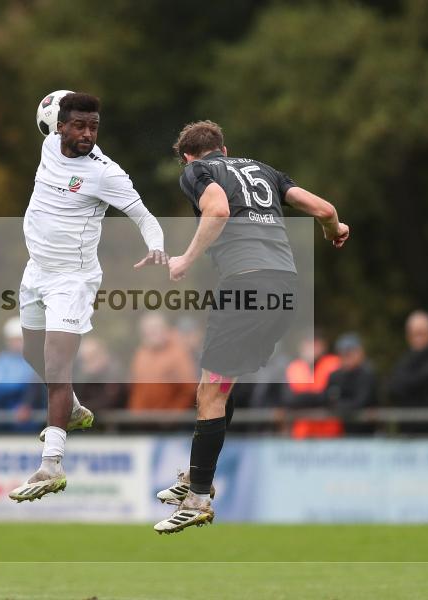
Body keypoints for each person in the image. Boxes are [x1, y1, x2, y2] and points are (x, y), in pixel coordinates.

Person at [154, 120, 349, 533]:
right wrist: (335, 231)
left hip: (246, 286)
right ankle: (197, 474)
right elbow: (326, 211)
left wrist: (186, 259)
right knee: (223, 384)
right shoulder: (264, 170)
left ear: (189, 157)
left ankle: (199, 497)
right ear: (224, 149)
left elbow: (218, 209)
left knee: (209, 391)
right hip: (285, 290)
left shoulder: (196, 171)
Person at [8, 91, 168, 503]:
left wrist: (156, 245)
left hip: (72, 281)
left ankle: (52, 464)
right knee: (31, 354)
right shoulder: (48, 145)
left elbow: (143, 215)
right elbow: (56, 98)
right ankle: (74, 409)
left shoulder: (105, 173)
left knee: (56, 365)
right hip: (35, 271)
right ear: (58, 126)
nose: (87, 134)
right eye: (79, 125)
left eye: (94, 127)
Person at [0, 317, 46, 432]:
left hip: (28, 421)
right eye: (12, 340)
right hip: (2, 419)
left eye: (19, 340)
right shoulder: (2, 360)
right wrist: (13, 387)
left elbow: (35, 389)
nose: (15, 344)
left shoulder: (36, 360)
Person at [128, 313, 196, 412]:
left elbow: (188, 389)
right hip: (143, 421)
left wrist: (174, 415)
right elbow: (135, 388)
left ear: (165, 329)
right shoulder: (140, 354)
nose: (152, 332)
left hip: (171, 422)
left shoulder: (178, 353)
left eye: (156, 328)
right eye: (148, 329)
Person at [323, 333, 377, 435]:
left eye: (350, 352)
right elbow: (327, 400)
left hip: (365, 434)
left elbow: (361, 402)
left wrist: (338, 405)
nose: (346, 357)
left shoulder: (367, 375)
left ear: (360, 353)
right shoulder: (335, 376)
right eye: (343, 353)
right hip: (337, 433)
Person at [284, 332, 341, 407]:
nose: (312, 348)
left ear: (324, 346)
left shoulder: (334, 363)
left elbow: (333, 397)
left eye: (316, 345)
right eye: (309, 344)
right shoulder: (294, 367)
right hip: (302, 417)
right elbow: (288, 399)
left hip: (328, 417)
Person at [73, 336, 127, 413]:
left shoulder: (113, 373)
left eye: (92, 357)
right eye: (85, 359)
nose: (87, 363)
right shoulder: (83, 374)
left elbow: (109, 402)